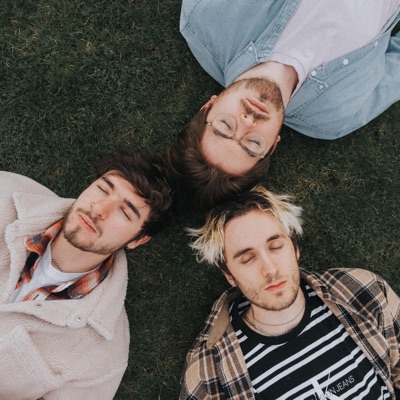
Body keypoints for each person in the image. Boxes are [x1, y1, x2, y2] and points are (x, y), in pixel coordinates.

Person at [168, 1, 400, 209]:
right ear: (272, 146)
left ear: (208, 106)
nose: (247, 122)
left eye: (224, 126)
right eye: (252, 144)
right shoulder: (335, 116)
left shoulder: (204, 17)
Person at [180, 185, 400, 399]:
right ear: (229, 275)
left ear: (295, 248)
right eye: (247, 259)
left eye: (276, 247)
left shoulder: (361, 290)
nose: (270, 269)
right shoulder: (208, 372)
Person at [0, 147, 175, 400]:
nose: (99, 209)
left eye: (125, 212)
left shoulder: (104, 357)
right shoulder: (5, 193)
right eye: (103, 189)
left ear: (139, 240)